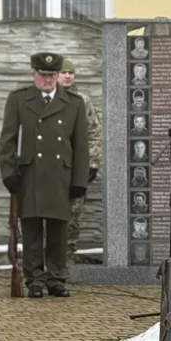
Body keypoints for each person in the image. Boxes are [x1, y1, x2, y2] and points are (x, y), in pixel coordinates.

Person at [0, 52, 89, 298]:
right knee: (32, 229)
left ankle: (56, 278)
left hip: (60, 174)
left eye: (51, 75)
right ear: (34, 74)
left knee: (59, 230)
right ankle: (34, 279)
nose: (47, 80)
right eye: (42, 75)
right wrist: (9, 173)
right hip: (30, 173)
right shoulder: (19, 99)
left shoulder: (74, 103)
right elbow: (8, 141)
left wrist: (79, 181)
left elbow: (81, 146)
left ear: (57, 76)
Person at [57, 59, 102, 274]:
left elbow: (94, 132)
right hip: (50, 171)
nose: (67, 76)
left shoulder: (82, 101)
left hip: (75, 170)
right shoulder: (45, 100)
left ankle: (66, 264)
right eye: (63, 72)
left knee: (72, 219)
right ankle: (47, 265)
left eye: (71, 72)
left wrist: (92, 164)